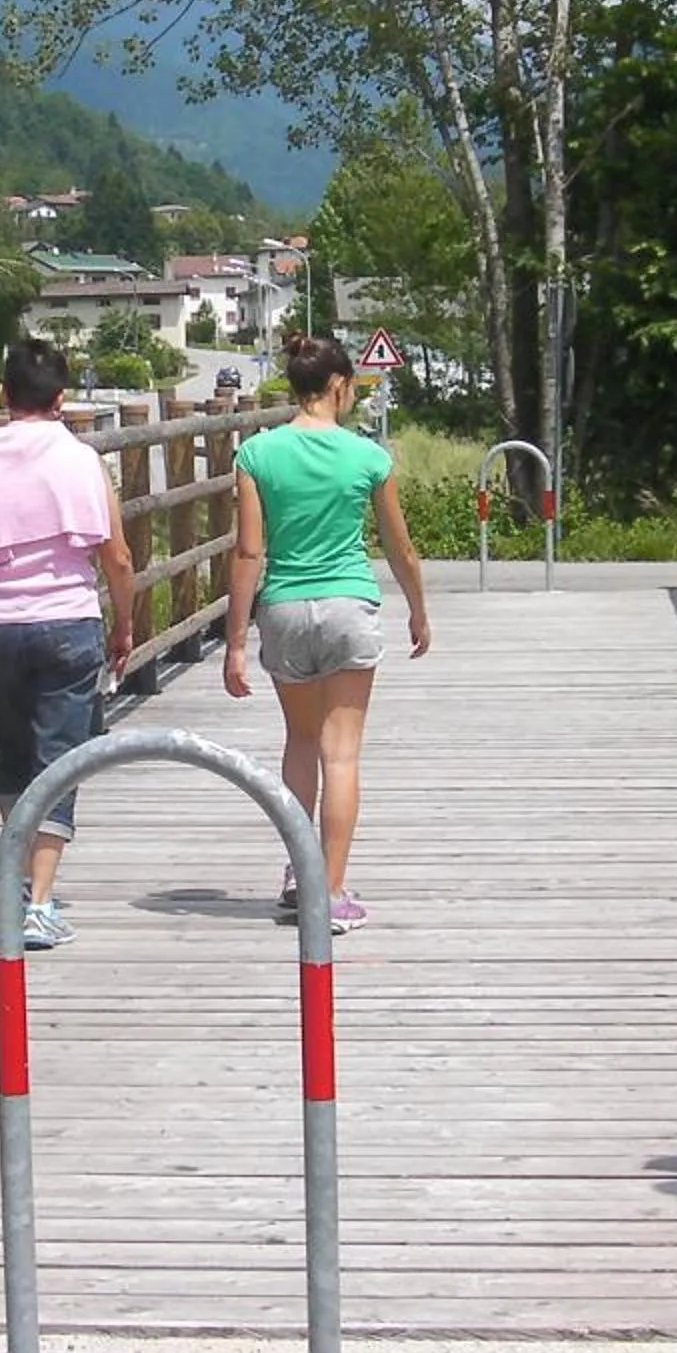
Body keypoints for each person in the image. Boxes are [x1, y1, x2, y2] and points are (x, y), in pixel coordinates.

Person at [0, 339, 136, 950]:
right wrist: (124, 623)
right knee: (59, 758)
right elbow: (115, 555)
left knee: (14, 755)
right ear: (62, 398)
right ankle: (39, 902)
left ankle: (20, 883)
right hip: (67, 620)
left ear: (3, 394)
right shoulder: (81, 461)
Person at [223, 333, 431, 933]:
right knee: (342, 754)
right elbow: (401, 548)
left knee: (301, 742)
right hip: (348, 605)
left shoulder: (257, 455)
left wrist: (237, 641)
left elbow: (248, 552)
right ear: (339, 386)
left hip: (284, 607)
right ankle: (331, 892)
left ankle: (298, 872)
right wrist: (418, 609)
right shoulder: (368, 457)